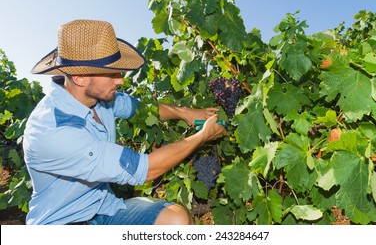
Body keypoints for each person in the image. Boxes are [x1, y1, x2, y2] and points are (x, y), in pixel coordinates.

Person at [23, 19, 227, 225]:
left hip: (105, 210)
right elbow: (146, 170)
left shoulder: (100, 99)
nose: (120, 80)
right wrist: (202, 136)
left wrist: (186, 112)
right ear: (80, 77)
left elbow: (142, 109)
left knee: (177, 220)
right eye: (112, 73)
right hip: (62, 224)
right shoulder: (52, 131)